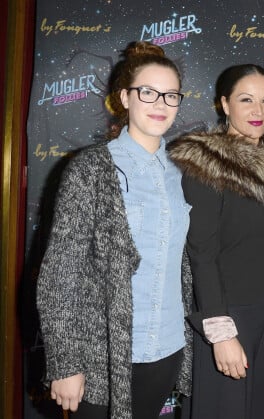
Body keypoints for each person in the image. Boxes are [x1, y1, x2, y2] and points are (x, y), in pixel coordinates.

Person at [36, 41, 193, 419]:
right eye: (148, 92)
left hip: (167, 348)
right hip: (104, 355)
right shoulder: (90, 170)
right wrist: (65, 363)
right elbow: (60, 273)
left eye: (170, 95)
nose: (160, 104)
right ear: (125, 97)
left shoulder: (182, 171)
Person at [168, 64, 264, 419]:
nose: (258, 111)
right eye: (246, 99)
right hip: (228, 312)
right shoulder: (206, 163)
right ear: (224, 104)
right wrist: (220, 332)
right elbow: (202, 253)